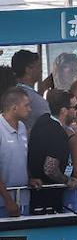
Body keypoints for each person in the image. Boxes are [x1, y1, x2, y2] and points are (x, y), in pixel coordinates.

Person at [26, 89, 75, 214]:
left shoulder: (42, 120)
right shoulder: (58, 132)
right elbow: (50, 168)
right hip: (48, 199)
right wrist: (68, 181)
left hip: (34, 195)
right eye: (74, 107)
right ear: (64, 111)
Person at [0, 89, 31, 217]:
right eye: (26, 105)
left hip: (23, 199)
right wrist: (8, 200)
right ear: (14, 108)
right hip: (3, 204)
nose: (30, 109)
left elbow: (21, 159)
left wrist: (30, 178)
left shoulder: (22, 127)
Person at [10, 50, 50, 125]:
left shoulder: (11, 95)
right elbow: (48, 126)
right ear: (28, 70)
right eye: (38, 66)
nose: (41, 70)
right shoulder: (37, 101)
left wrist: (41, 91)